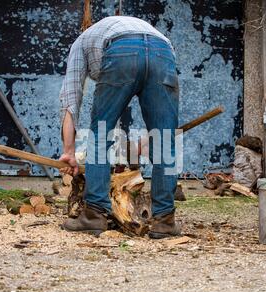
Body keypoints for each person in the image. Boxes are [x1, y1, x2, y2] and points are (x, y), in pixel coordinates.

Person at [59, 16, 180, 239]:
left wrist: (68, 151)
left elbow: (70, 99)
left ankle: (94, 214)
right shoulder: (144, 29)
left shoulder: (80, 43)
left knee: (100, 133)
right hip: (162, 51)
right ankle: (165, 221)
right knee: (164, 139)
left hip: (121, 50)